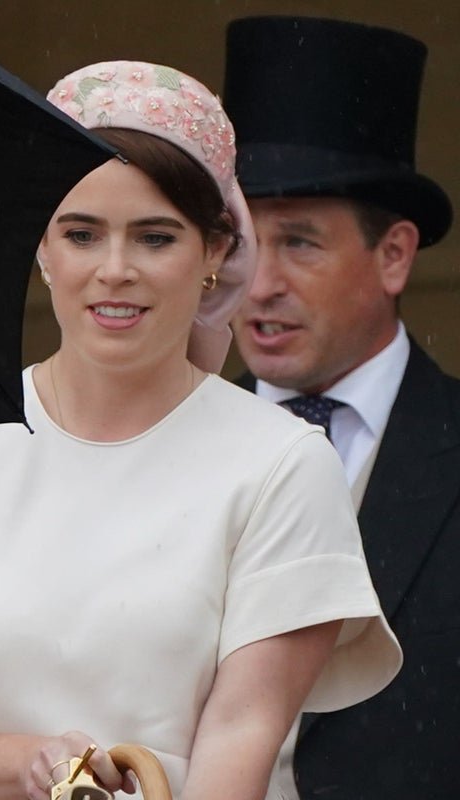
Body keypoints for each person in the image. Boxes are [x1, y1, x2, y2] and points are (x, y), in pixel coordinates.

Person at [0, 61, 401, 800]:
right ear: (41, 245)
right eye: (83, 234)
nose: (114, 270)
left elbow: (241, 737)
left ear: (215, 252)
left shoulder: (281, 462)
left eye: (155, 238)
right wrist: (31, 761)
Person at [222, 16, 459, 800]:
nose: (258, 285)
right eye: (242, 245)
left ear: (394, 255)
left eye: (299, 243)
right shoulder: (169, 441)